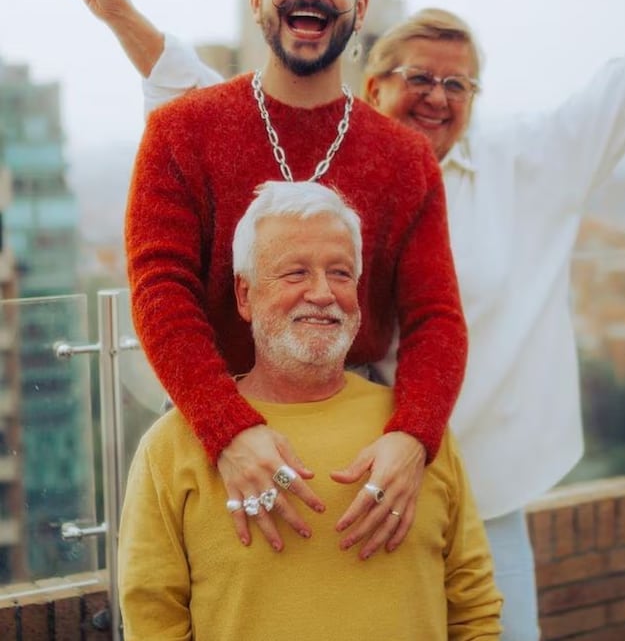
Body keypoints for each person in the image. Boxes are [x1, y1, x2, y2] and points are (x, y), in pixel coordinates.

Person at [68, 0, 625, 641]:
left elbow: (623, 89)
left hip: (467, 477)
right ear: (372, 82)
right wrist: (119, 11)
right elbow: (189, 90)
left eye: (457, 83)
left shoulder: (517, 166)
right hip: (305, 453)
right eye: (418, 78)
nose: (438, 96)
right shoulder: (316, 161)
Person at [63, 0, 468, 564]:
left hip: (361, 446)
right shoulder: (181, 132)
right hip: (208, 432)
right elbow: (161, 290)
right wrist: (228, 429)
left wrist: (412, 437)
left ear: (359, 5)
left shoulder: (405, 159)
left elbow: (436, 317)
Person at [118, 181, 502, 641]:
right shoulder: (172, 448)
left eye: (340, 273)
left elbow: (473, 606)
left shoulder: (415, 437)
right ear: (244, 295)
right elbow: (152, 618)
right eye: (295, 273)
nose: (322, 293)